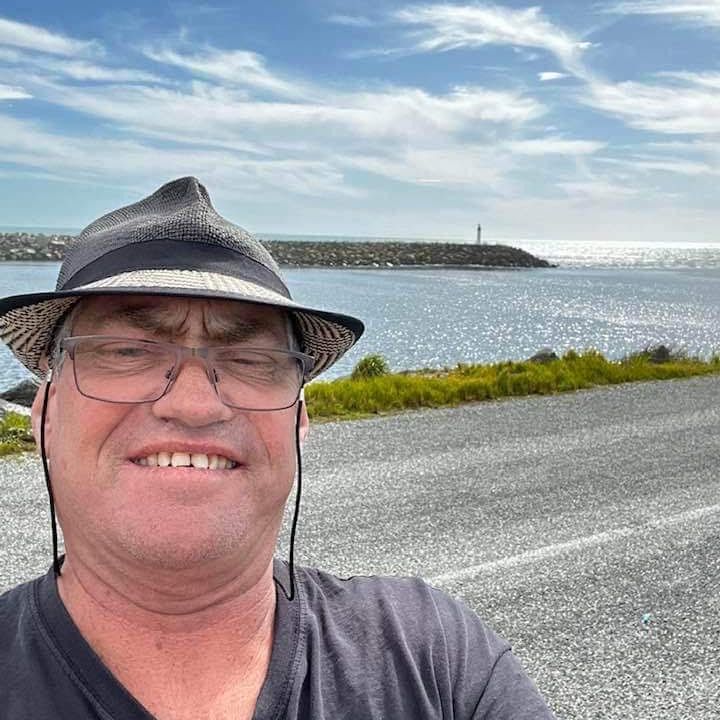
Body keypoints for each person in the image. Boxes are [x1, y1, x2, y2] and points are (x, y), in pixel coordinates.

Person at [0, 177, 556, 719]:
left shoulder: (435, 658)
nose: (194, 405)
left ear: (298, 421)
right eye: (126, 350)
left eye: (251, 359)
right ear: (44, 413)